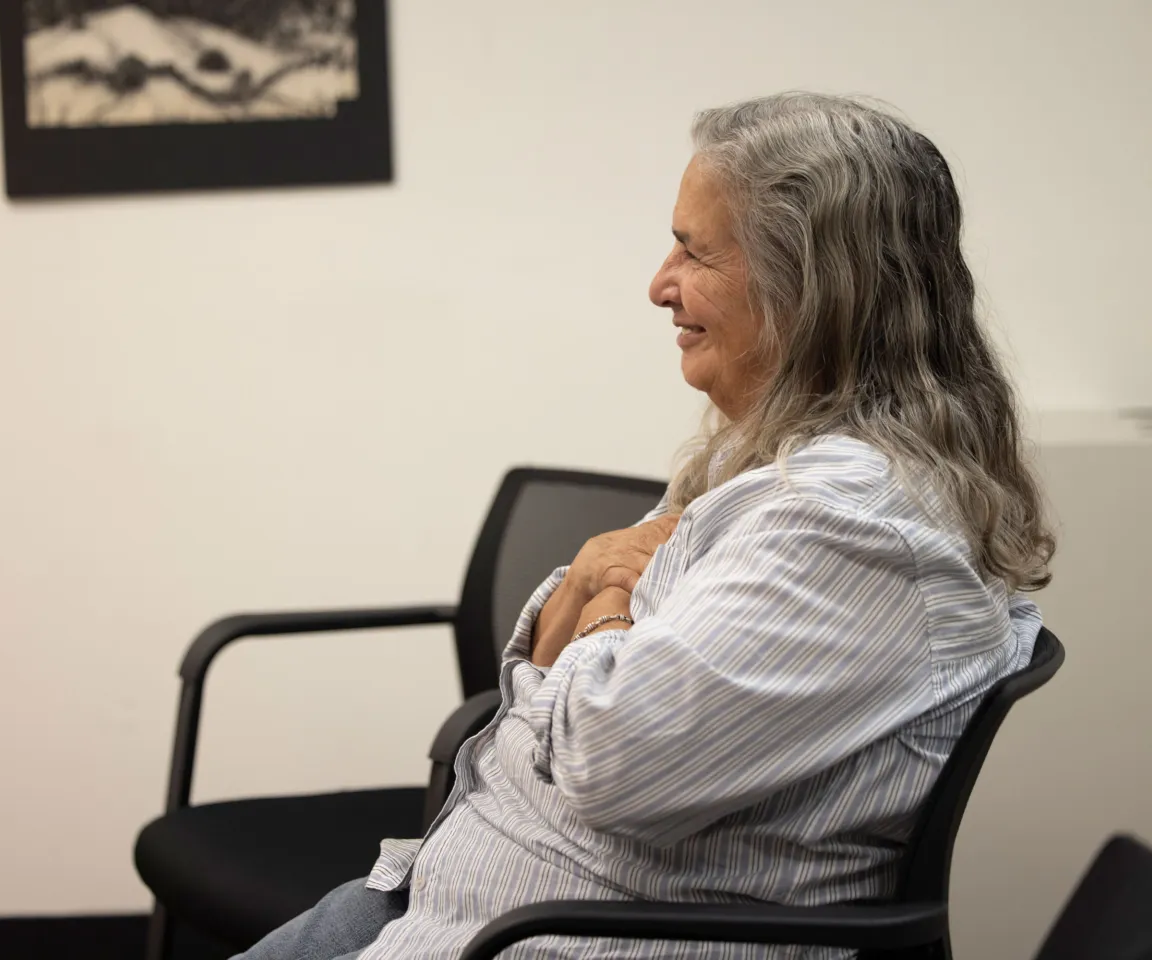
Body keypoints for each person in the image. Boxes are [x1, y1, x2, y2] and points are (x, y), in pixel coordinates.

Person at [239, 92, 1054, 960]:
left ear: (810, 287)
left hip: (544, 938)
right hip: (433, 897)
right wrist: (598, 584)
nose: (660, 285)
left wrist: (606, 595)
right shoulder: (769, 459)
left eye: (695, 252)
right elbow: (547, 663)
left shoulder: (851, 522)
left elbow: (609, 755)